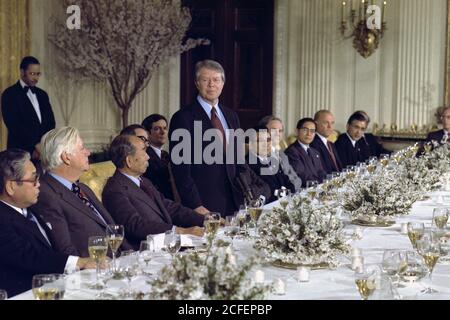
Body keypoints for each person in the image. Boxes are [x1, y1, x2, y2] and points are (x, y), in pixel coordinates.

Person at [0, 149, 95, 297]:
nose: (39, 184)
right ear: (11, 187)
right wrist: (79, 262)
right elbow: (29, 256)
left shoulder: (31, 209)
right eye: (33, 179)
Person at [31, 127, 132, 257]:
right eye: (82, 148)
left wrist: (132, 256)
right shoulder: (45, 194)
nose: (88, 152)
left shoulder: (84, 188)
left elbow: (111, 229)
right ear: (66, 157)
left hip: (119, 262)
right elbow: (65, 250)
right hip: (92, 271)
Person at [102, 135, 205, 249]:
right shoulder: (114, 190)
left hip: (168, 246)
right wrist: (179, 231)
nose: (148, 157)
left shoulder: (144, 181)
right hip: (146, 253)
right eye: (143, 151)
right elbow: (135, 225)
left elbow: (169, 207)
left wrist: (205, 219)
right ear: (129, 160)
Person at [169, 60, 241, 217]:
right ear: (196, 83)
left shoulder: (231, 116)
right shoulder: (183, 118)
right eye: (205, 80)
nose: (211, 85)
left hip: (235, 201)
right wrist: (195, 205)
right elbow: (181, 170)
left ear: (223, 83)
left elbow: (238, 158)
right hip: (204, 203)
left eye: (216, 80)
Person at [1, 56, 55, 160]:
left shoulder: (42, 94)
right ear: (22, 72)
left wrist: (43, 146)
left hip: (42, 152)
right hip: (20, 152)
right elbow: (14, 125)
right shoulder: (9, 94)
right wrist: (35, 146)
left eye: (38, 74)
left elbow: (51, 122)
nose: (36, 78)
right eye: (32, 74)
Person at [247, 126, 294, 202]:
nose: (266, 144)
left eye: (268, 140)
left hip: (283, 201)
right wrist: (282, 193)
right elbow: (260, 192)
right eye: (261, 141)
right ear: (251, 144)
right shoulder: (248, 165)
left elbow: (287, 181)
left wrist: (288, 191)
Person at [140, 115, 175, 201]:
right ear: (147, 133)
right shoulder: (144, 155)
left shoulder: (166, 155)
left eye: (165, 128)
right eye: (157, 129)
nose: (163, 132)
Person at [284, 118, 326, 187]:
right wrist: (321, 184)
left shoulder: (315, 152)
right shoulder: (292, 151)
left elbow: (321, 172)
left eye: (312, 131)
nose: (309, 134)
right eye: (305, 130)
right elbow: (301, 176)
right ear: (297, 131)